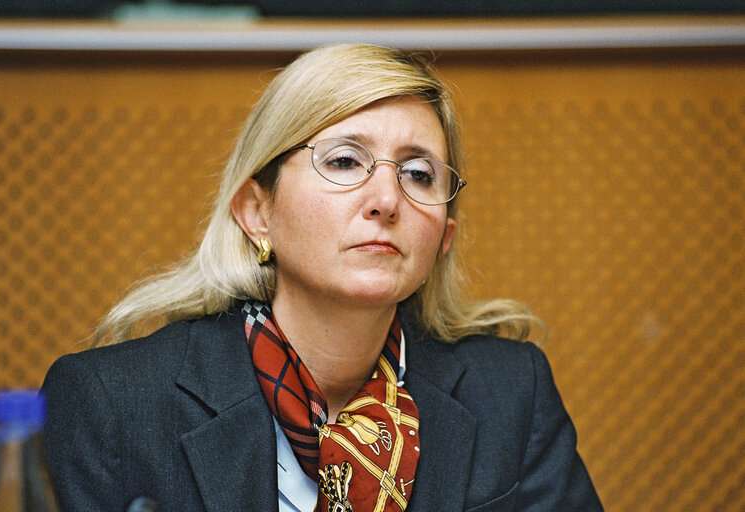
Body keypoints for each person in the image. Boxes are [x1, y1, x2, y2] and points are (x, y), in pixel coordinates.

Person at [41, 44, 602, 512]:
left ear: (443, 239)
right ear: (257, 212)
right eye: (344, 162)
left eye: (418, 173)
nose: (387, 199)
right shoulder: (111, 404)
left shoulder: (511, 392)